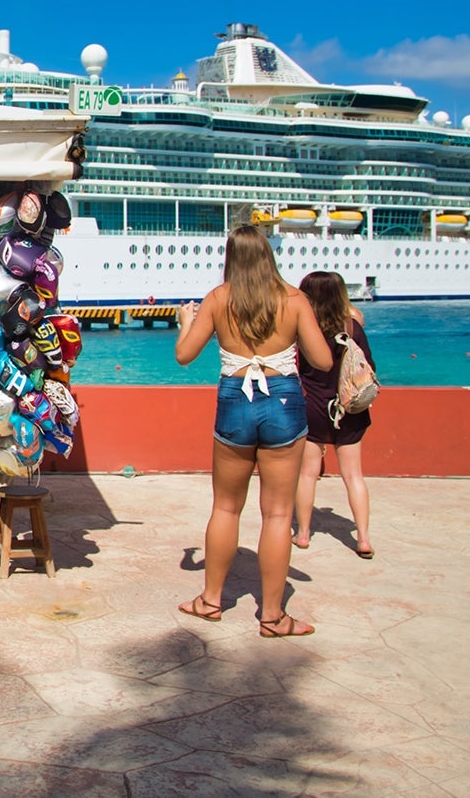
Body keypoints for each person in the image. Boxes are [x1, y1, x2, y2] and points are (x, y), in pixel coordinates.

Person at [174, 224, 333, 638]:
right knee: (278, 513)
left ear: (231, 257)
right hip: (282, 400)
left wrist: (183, 322)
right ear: (268, 255)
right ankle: (273, 617)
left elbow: (184, 356)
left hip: (234, 399)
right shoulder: (293, 300)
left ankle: (210, 600)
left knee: (226, 507)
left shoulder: (217, 299)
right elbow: (323, 361)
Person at [293, 271, 375, 558]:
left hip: (313, 407)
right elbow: (368, 366)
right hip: (349, 407)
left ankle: (303, 534)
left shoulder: (304, 330)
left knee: (307, 474)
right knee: (353, 476)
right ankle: (363, 539)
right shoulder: (352, 327)